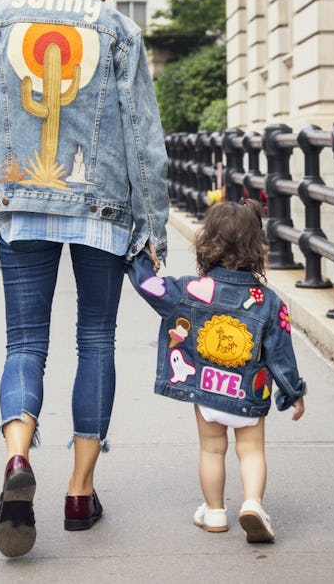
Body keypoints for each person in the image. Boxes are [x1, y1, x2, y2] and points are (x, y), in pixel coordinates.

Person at [0, 0, 169, 557]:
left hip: (22, 203)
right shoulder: (119, 31)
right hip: (101, 210)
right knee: (96, 340)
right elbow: (143, 142)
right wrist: (152, 230)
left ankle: (18, 458)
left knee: (24, 343)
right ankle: (78, 492)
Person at [127, 199, 306, 543]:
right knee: (251, 451)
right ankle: (252, 503)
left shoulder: (190, 290)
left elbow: (149, 286)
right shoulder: (269, 301)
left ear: (207, 243)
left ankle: (214, 512)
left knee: (212, 449)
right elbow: (281, 353)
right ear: (257, 248)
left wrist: (139, 256)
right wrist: (293, 392)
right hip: (249, 393)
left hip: (207, 390)